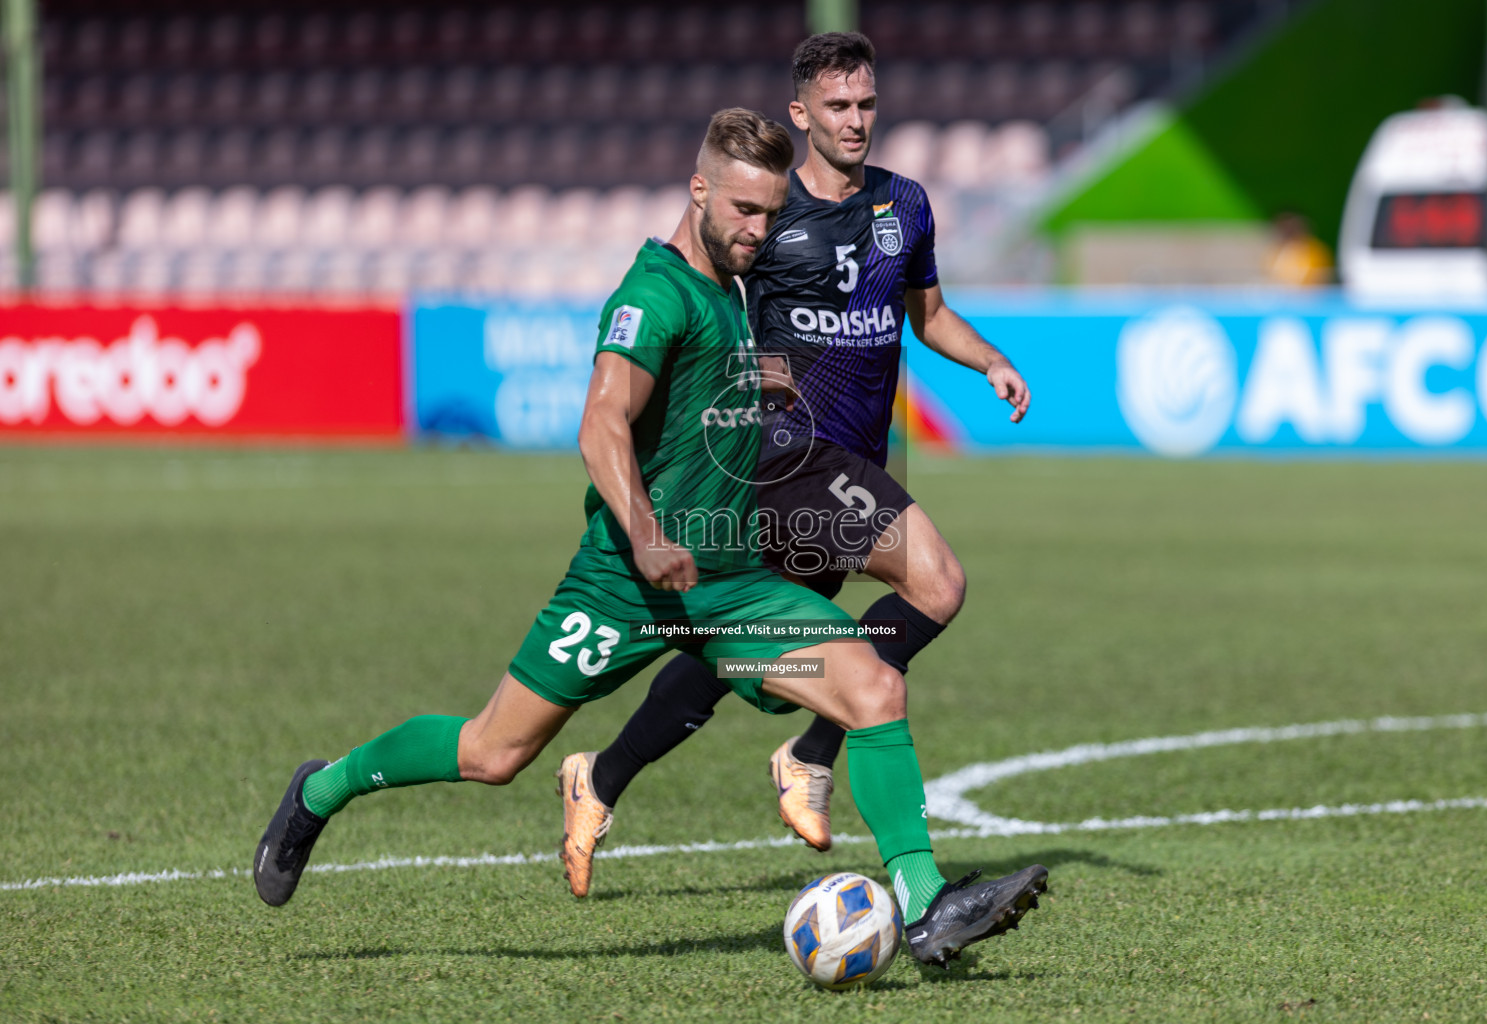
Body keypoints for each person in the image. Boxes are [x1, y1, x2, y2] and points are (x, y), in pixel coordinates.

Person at [253, 107, 1047, 970]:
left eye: (772, 213)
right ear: (697, 190)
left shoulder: (735, 285)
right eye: (743, 210)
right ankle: (321, 789)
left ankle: (925, 905)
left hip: (731, 585)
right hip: (626, 585)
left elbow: (706, 392)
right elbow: (602, 425)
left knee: (874, 690)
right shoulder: (652, 293)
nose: (759, 230)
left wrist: (762, 386)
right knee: (492, 752)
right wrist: (643, 535)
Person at [556, 33, 1032, 902]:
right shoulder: (766, 218)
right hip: (783, 455)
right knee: (936, 582)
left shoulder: (906, 205)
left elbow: (931, 315)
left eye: (868, 105)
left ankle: (603, 779)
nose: (856, 122)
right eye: (838, 108)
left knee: (739, 649)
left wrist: (989, 359)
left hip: (854, 457)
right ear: (801, 114)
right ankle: (815, 753)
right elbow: (703, 309)